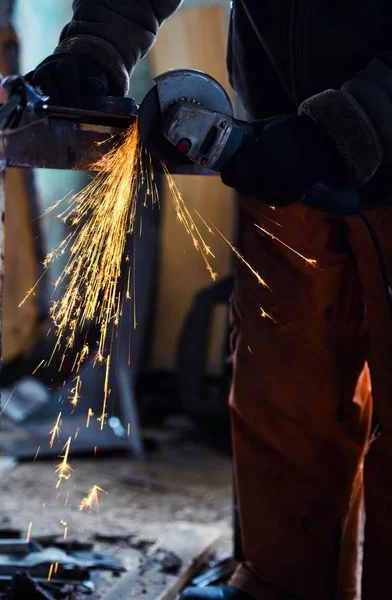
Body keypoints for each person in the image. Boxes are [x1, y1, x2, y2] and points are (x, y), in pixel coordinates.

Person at [30, 2, 392, 599]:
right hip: (280, 146)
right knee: (283, 395)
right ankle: (278, 587)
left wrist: (359, 120)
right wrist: (95, 46)